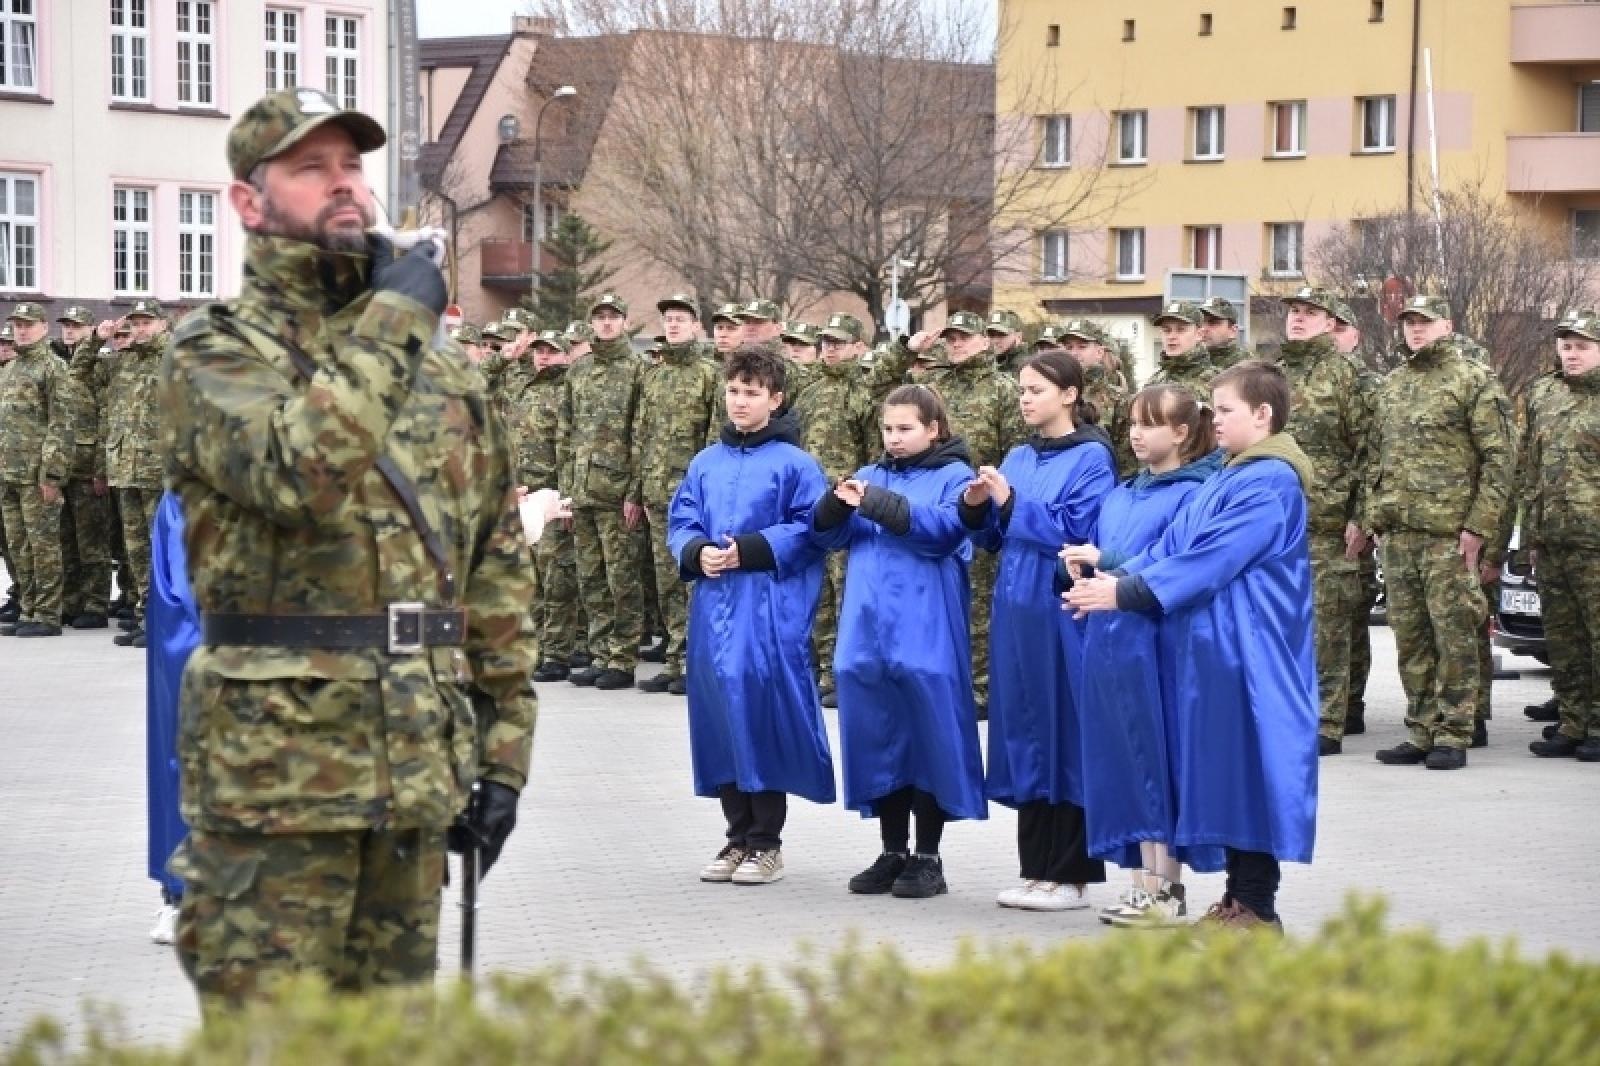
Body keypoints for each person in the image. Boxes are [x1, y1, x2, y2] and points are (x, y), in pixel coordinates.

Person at [160, 87, 536, 1010]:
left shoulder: (440, 371)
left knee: (393, 1041)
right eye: (310, 168)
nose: (343, 185)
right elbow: (299, 473)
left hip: (415, 769)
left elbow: (492, 565)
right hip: (275, 783)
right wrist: (398, 316)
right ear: (249, 202)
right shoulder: (215, 353)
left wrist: (503, 754)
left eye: (352, 165)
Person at [1065, 360, 1318, 932]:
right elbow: (1172, 546)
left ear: (1263, 414)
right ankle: (1236, 900)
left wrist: (1126, 593)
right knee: (1227, 776)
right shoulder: (1230, 475)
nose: (1215, 418)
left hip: (1253, 651)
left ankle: (1257, 909)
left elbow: (1212, 558)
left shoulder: (1270, 480)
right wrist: (1112, 581)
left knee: (1251, 775)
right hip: (1218, 652)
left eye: (1225, 409)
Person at [811, 384, 985, 899]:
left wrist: (877, 503)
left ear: (934, 429)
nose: (894, 438)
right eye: (888, 428)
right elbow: (828, 537)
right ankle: (892, 850)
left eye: (906, 428)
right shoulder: (870, 475)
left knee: (928, 733)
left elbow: (943, 533)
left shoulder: (956, 477)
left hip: (925, 627)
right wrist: (833, 506)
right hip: (867, 629)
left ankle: (928, 856)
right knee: (878, 733)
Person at [667, 346, 832, 886]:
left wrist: (754, 549)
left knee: (758, 713)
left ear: (775, 399)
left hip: (765, 611)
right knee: (719, 716)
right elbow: (682, 518)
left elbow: (813, 529)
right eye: (734, 391)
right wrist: (696, 552)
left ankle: (766, 842)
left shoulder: (796, 465)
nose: (740, 401)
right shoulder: (705, 462)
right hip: (713, 607)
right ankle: (736, 836)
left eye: (752, 393)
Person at [1063, 385, 1223, 928]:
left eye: (1150, 424)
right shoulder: (1122, 492)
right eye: (1132, 422)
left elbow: (1174, 561)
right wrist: (1080, 568)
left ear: (1182, 432)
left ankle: (1167, 890)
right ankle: (1139, 886)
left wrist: (1107, 557)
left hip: (1153, 643)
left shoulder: (1193, 493)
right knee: (1121, 762)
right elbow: (1106, 553)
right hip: (1107, 640)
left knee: (1155, 762)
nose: (1135, 434)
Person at [961, 351, 1115, 912]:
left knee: (1065, 734)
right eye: (1022, 390)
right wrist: (977, 508)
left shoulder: (1093, 457)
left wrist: (1012, 503)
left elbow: (1079, 532)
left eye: (1036, 391)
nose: (1025, 400)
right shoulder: (1019, 455)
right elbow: (995, 537)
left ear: (1069, 395)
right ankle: (1035, 869)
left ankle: (1070, 874)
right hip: (1016, 612)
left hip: (1060, 610)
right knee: (1027, 731)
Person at [1364, 296, 1514, 770]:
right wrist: (1375, 515)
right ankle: (1421, 728)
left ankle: (1454, 731)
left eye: (1424, 322)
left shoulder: (1473, 380)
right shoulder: (1393, 384)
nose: (1415, 329)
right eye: (1409, 322)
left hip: (1449, 535)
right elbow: (1375, 456)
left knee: (1455, 635)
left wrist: (1478, 527)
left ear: (1446, 325)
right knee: (1410, 637)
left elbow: (1499, 461)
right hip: (1400, 534)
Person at [1271, 287, 1372, 757]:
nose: (1298, 318)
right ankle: (1285, 714)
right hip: (1274, 521)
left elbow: (1370, 451)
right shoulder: (1270, 375)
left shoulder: (1348, 376)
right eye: (1294, 311)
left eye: (1310, 313)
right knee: (1280, 621)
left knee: (1327, 625)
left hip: (1327, 522)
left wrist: (1362, 516)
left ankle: (1328, 719)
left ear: (1331, 323)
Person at [924, 311, 1027, 718]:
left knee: (981, 599)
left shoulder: (1003, 389)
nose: (956, 344)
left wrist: (1000, 501)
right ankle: (948, 677)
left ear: (984, 341)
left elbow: (1015, 450)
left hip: (982, 503)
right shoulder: (935, 387)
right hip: (938, 501)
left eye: (964, 337)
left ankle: (981, 686)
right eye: (951, 338)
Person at [635, 293, 722, 695]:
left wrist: (707, 491)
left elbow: (713, 439)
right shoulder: (653, 374)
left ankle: (696, 662)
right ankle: (674, 659)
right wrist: (638, 489)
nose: (673, 325)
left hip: (692, 495)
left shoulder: (709, 374)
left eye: (681, 319)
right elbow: (641, 433)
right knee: (667, 579)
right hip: (656, 493)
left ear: (696, 327)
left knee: (693, 579)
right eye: (668, 318)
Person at [1522, 311, 1600, 761]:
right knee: (1564, 639)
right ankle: (1573, 723)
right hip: (1553, 538)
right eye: (1566, 346)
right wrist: (1532, 533)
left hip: (1594, 543)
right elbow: (1530, 465)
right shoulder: (1544, 394)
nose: (1572, 354)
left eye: (1582, 347)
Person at [559, 292, 647, 690]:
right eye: (600, 317)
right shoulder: (579, 370)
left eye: (613, 316)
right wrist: (566, 489)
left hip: (616, 493)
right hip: (581, 490)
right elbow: (566, 431)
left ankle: (622, 657)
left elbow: (641, 434)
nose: (606, 323)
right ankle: (599, 654)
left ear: (624, 322)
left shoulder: (638, 369)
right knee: (590, 577)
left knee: (621, 578)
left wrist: (634, 492)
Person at [146, 490, 200, 945]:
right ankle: (179, 896)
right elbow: (187, 582)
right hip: (196, 646)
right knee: (183, 765)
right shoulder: (188, 491)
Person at [0, 302, 71, 638]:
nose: (22, 331)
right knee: (18, 546)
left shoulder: (53, 368)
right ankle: (28, 608)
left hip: (36, 475)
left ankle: (47, 613)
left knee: (43, 546)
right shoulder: (10, 369)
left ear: (44, 327)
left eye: (28, 325)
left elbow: (62, 424)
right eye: (17, 325)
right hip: (7, 473)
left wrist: (52, 474)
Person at [104, 298, 170, 648]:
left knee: (162, 550)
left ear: (162, 324)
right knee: (136, 551)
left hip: (158, 470)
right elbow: (78, 378)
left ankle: (165, 621)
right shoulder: (125, 360)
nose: (141, 329)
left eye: (147, 322)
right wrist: (97, 341)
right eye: (137, 323)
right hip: (125, 468)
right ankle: (146, 618)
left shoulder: (175, 357)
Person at [520, 330, 583, 684]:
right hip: (523, 496)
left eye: (551, 351)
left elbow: (571, 446)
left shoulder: (566, 390)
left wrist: (566, 495)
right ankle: (536, 648)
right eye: (539, 351)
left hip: (552, 496)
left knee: (556, 580)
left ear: (565, 355)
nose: (543, 357)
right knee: (531, 582)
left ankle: (557, 653)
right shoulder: (525, 389)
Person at [1330, 299, 1381, 737]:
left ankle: (1349, 702)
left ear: (1355, 336)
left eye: (1340, 328)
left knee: (1351, 615)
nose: (1332, 335)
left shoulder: (1364, 383)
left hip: (1345, 519)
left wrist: (1362, 515)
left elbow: (1371, 454)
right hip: (1310, 519)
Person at [56, 305, 114, 629]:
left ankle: (96, 603)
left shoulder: (100, 366)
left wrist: (101, 468)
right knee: (65, 541)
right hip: (62, 464)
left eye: (76, 326)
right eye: (66, 325)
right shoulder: (59, 364)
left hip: (88, 466)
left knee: (92, 541)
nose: (69, 330)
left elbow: (106, 418)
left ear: (91, 330)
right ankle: (71, 601)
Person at [1059, 320, 1136, 479]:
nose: (1074, 353)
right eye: (1069, 347)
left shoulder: (1117, 399)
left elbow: (1127, 462)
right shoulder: (1052, 393)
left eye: (1082, 347)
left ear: (1099, 352)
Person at [1145, 301, 1219, 405]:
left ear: (1199, 334)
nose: (1171, 337)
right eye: (1167, 330)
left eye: (1181, 330)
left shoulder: (1217, 381)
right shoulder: (1154, 381)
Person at [1197, 297, 1254, 370]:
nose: (1203, 328)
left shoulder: (1245, 366)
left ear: (1232, 331)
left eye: (1213, 322)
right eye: (1201, 322)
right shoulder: (1193, 360)